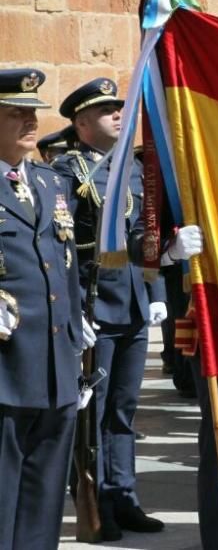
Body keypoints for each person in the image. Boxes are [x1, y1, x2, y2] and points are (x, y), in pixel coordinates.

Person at [52, 77, 170, 541]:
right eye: (105, 111)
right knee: (91, 416)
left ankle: (125, 496)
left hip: (134, 308)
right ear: (82, 124)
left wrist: (158, 285)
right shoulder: (68, 172)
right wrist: (72, 311)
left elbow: (142, 233)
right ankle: (97, 504)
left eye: (119, 108)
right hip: (94, 310)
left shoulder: (134, 171)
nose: (118, 114)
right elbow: (62, 248)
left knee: (123, 410)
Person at [0, 68, 86, 550]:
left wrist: (77, 328)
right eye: (16, 113)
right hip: (6, 367)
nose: (30, 122)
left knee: (45, 495)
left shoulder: (52, 183)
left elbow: (68, 263)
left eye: (32, 112)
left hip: (55, 365)